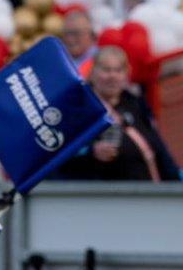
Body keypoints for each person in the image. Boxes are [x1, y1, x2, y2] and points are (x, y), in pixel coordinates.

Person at [58, 46, 180, 182]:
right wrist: (91, 152)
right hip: (107, 196)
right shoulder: (80, 108)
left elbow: (158, 148)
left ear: (126, 74)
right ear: (92, 73)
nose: (112, 76)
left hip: (151, 193)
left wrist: (175, 180)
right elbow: (61, 156)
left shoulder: (135, 103)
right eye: (106, 70)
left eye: (118, 70)